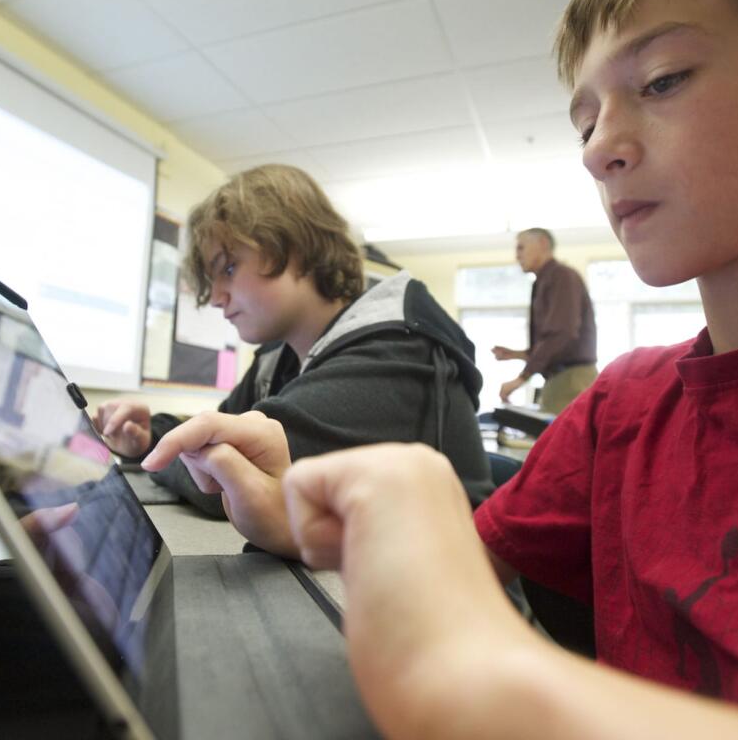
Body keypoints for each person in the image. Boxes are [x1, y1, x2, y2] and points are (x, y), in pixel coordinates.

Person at [137, 0, 738, 737]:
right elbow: (463, 557)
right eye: (584, 119)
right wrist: (298, 514)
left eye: (664, 79)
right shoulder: (624, 405)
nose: (599, 147)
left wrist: (497, 680)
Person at [95, 164, 495, 519]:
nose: (216, 297)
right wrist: (150, 438)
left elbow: (230, 481)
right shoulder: (278, 355)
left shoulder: (397, 349)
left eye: (229, 268)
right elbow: (219, 430)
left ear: (297, 248)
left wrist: (164, 454)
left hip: (451, 595)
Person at [492, 228, 597, 413]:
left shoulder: (561, 276)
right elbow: (556, 340)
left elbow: (561, 333)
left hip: (570, 379)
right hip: (560, 379)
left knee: (563, 441)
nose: (517, 256)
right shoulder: (544, 281)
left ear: (542, 244)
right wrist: (519, 354)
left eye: (521, 248)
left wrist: (521, 378)